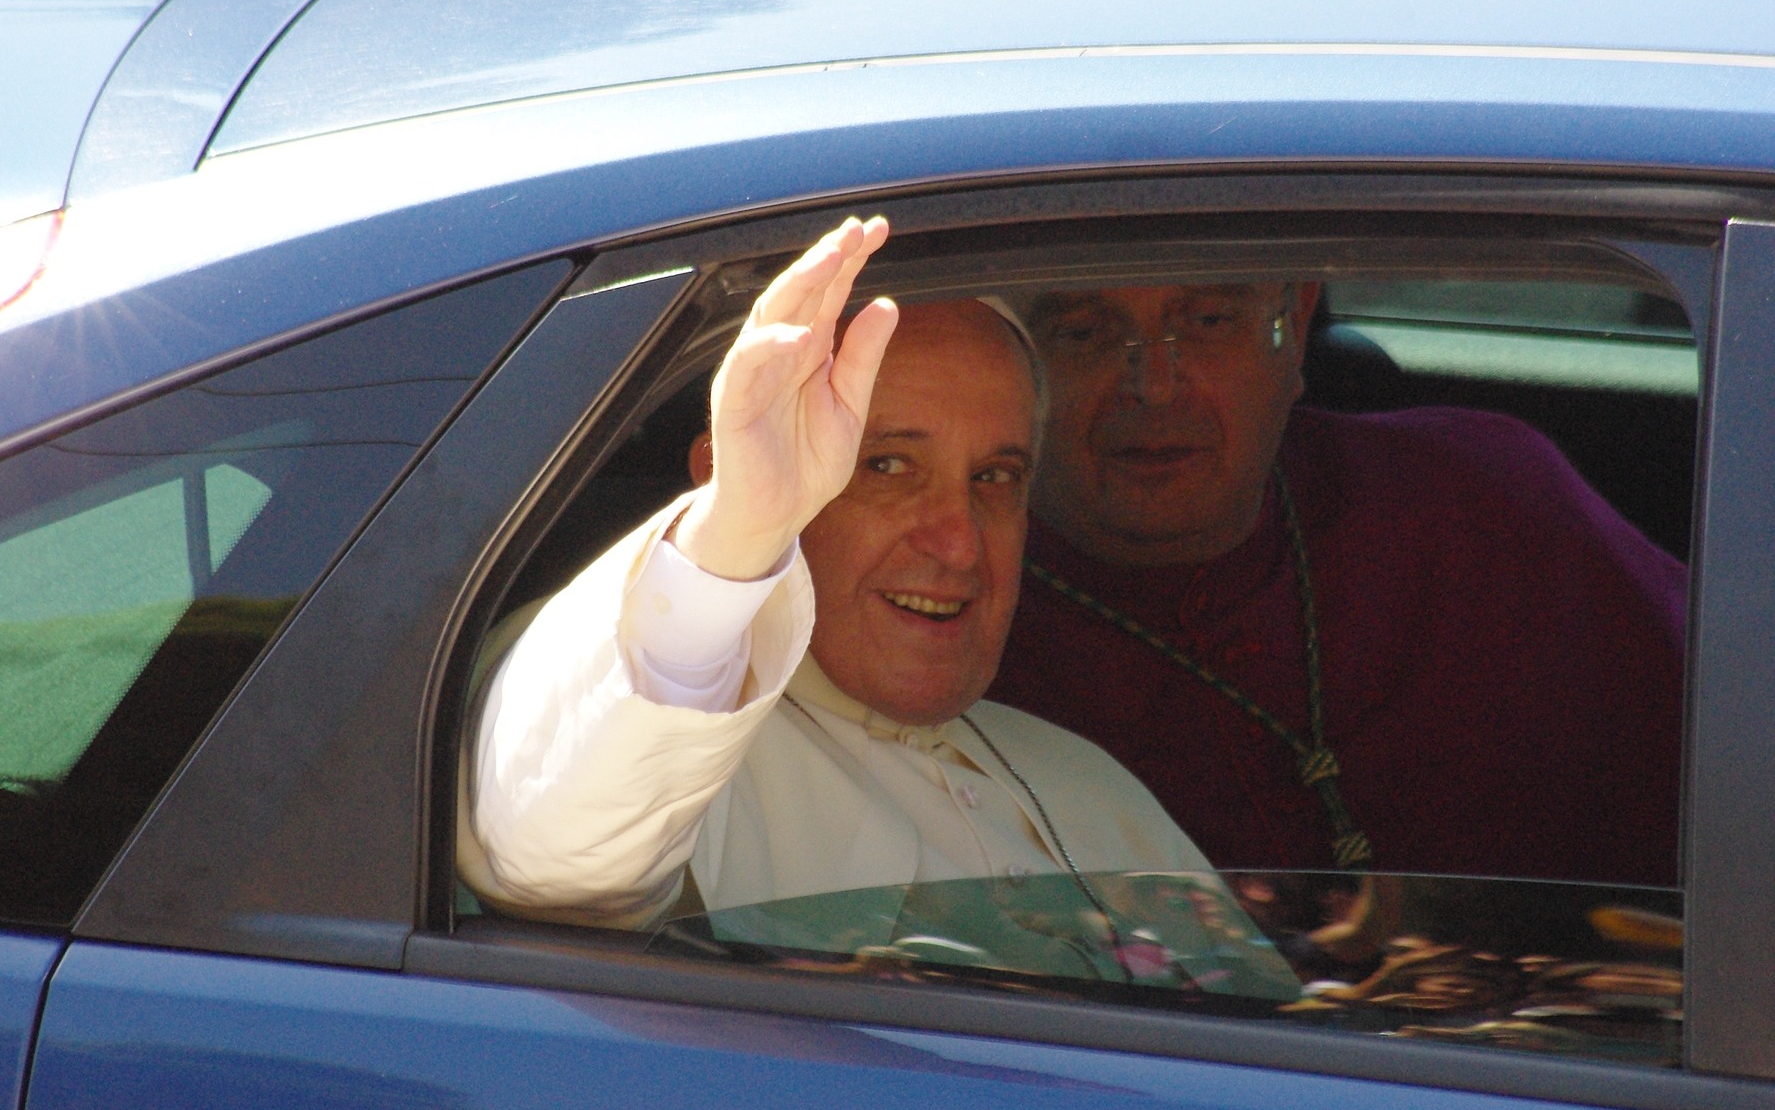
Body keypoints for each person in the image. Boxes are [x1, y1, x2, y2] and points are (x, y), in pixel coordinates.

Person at [458, 218, 1209, 934]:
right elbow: (544, 845)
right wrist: (736, 532)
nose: (959, 543)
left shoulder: (1089, 784)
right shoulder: (638, 684)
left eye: (995, 476)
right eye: (885, 466)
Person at [986, 281, 1686, 886]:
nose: (1155, 385)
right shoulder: (940, 612)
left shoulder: (1493, 502)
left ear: (1293, 326)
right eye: (1082, 332)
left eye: (1208, 322)